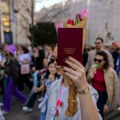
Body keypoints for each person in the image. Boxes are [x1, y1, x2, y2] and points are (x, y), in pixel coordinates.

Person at [45, 46, 102, 120]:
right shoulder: (54, 85)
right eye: (53, 59)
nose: (55, 63)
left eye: (59, 59)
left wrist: (82, 88)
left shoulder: (87, 92)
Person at [87, 51, 119, 118]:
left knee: (99, 112)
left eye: (99, 60)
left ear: (104, 61)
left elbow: (112, 89)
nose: (96, 62)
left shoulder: (110, 72)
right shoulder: (93, 67)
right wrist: (90, 76)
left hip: (102, 95)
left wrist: (107, 104)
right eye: (95, 59)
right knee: (90, 111)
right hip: (92, 93)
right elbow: (88, 81)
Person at [1, 45, 27, 114]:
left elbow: (13, 71)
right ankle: (25, 101)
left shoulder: (12, 59)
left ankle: (6, 109)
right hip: (11, 77)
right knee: (14, 91)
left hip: (13, 78)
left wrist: (4, 66)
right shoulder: (10, 58)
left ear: (10, 51)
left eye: (7, 49)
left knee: (8, 93)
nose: (6, 50)